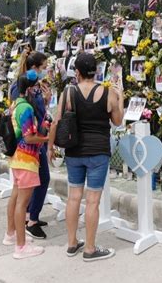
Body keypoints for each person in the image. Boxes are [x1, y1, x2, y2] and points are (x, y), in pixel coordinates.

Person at [48, 53, 124, 262]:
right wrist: (121, 97)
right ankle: (90, 249)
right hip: (98, 152)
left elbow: (56, 121)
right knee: (92, 201)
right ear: (96, 71)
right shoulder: (107, 92)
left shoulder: (69, 92)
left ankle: (72, 243)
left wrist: (49, 147)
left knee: (73, 198)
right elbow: (117, 121)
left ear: (77, 72)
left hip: (74, 151)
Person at [4, 70, 49, 259]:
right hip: (27, 158)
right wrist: (48, 136)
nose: (38, 91)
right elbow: (29, 137)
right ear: (30, 89)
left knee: (16, 198)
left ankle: (11, 234)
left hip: (17, 158)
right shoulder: (27, 109)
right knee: (22, 203)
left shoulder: (16, 104)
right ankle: (20, 247)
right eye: (37, 88)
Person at [9, 51, 51, 239]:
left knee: (31, 185)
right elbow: (27, 125)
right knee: (39, 181)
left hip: (31, 144)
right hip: (28, 148)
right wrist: (45, 140)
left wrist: (46, 101)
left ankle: (25, 220)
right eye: (43, 67)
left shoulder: (31, 88)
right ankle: (29, 221)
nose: (45, 71)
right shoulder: (22, 93)